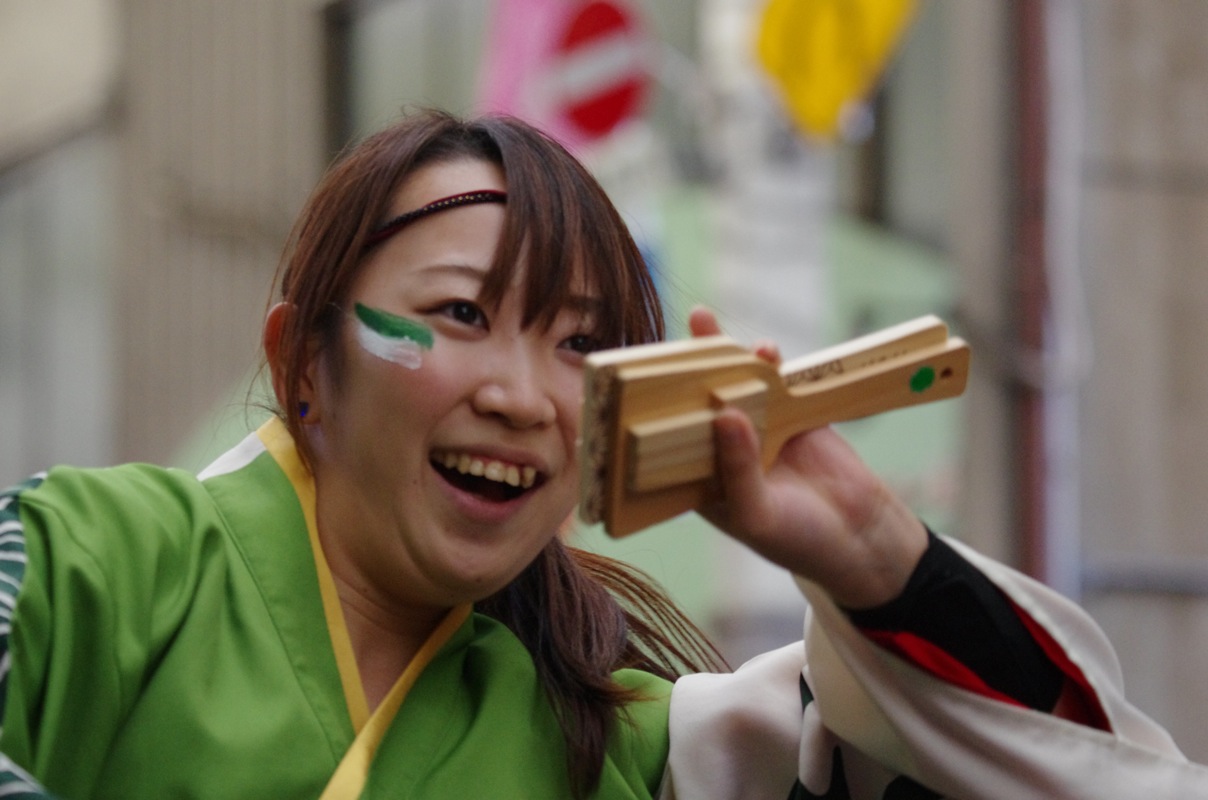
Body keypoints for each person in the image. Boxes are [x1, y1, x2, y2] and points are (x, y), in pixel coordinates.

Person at [0, 110, 1204, 799]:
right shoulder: (90, 563)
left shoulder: (646, 754)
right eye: (463, 315)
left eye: (581, 347)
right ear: (304, 363)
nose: (525, 397)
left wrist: (874, 556)